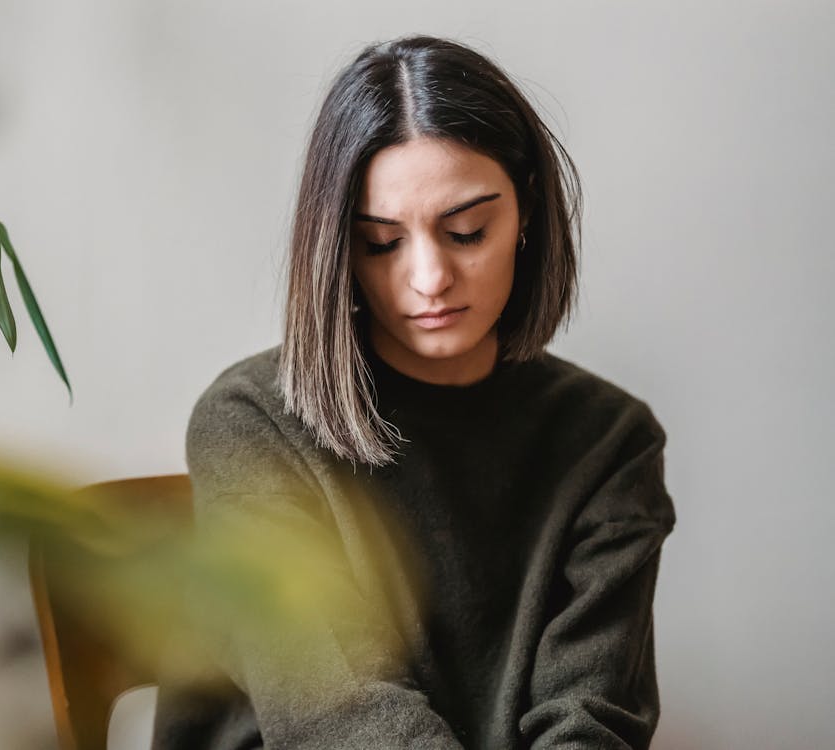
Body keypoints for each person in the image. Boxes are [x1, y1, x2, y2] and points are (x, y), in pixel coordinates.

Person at [151, 34, 676, 750]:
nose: (428, 278)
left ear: (524, 214)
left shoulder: (608, 441)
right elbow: (333, 710)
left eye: (465, 231)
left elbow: (591, 716)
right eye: (381, 242)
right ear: (337, 246)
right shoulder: (250, 422)